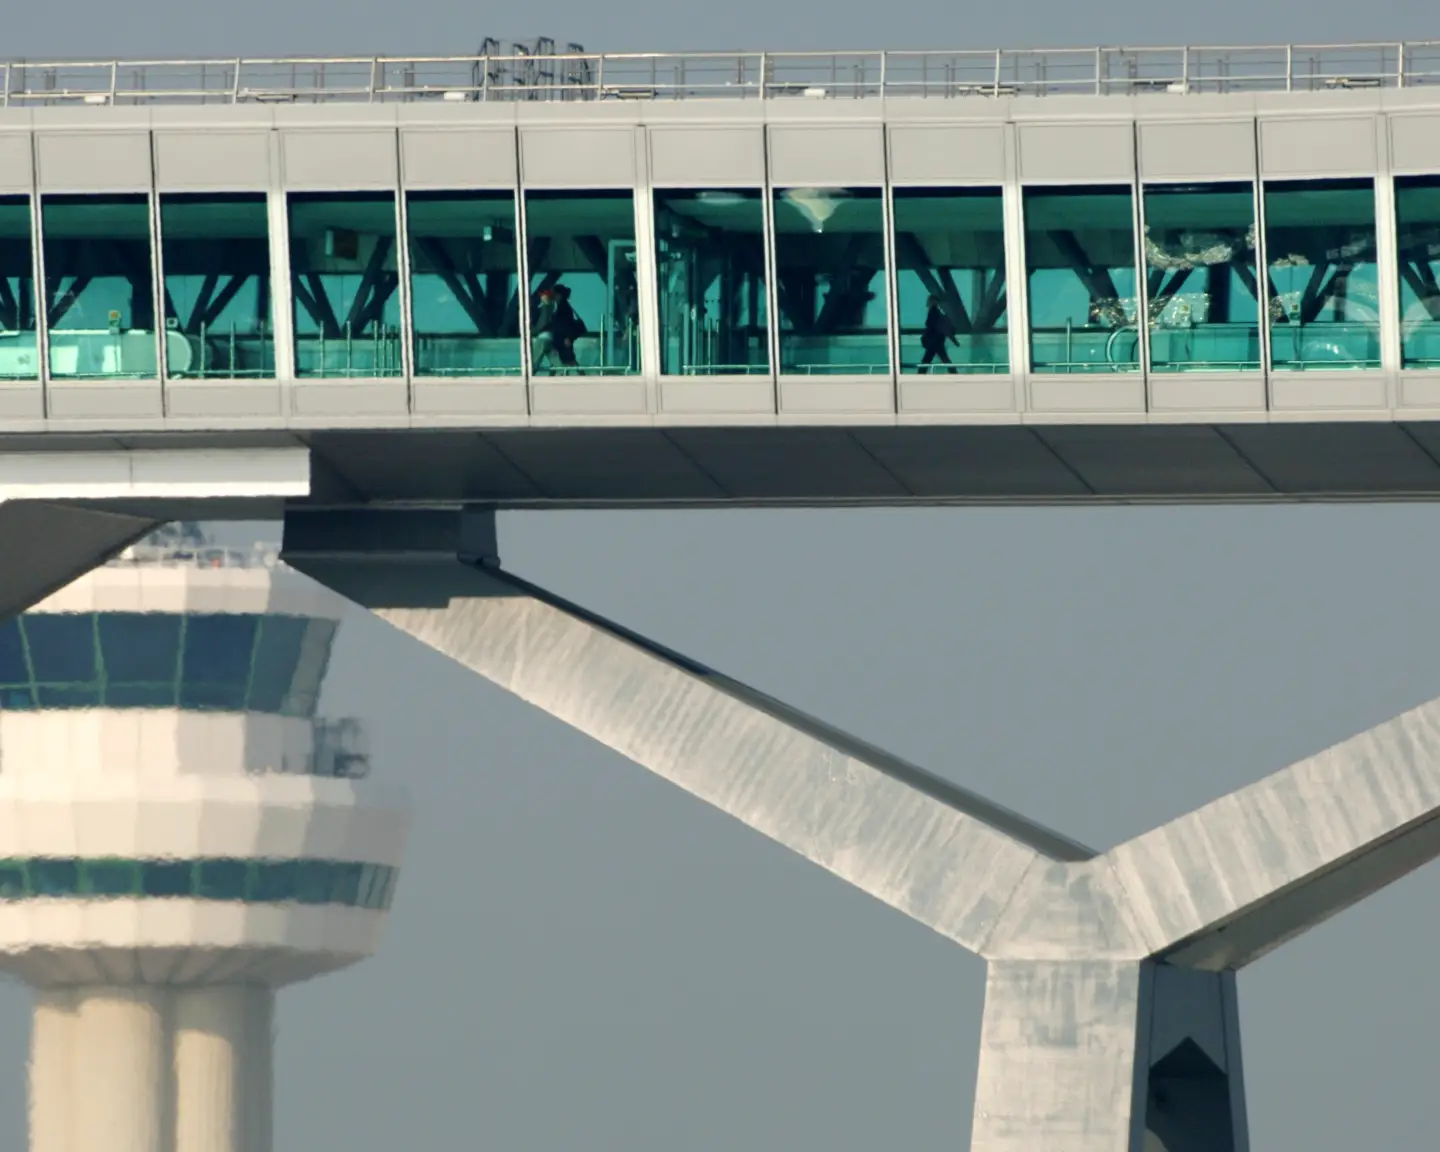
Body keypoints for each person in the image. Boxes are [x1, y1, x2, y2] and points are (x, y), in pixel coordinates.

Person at [919, 296, 958, 373]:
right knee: (942, 357)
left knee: (928, 358)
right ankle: (953, 372)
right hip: (937, 340)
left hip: (934, 340)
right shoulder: (936, 312)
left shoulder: (934, 312)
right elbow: (942, 327)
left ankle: (921, 373)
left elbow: (933, 326)